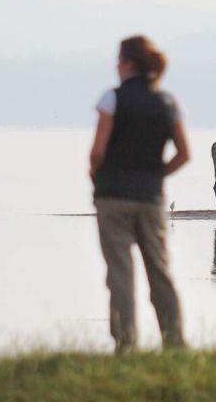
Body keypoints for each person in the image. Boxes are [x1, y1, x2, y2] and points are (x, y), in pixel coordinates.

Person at [89, 35, 190, 353]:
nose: (116, 66)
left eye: (118, 60)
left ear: (129, 63)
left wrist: (97, 178)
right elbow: (184, 153)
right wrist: (158, 174)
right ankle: (173, 340)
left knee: (119, 272)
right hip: (151, 198)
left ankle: (125, 343)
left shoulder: (112, 99)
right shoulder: (168, 102)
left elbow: (97, 152)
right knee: (159, 270)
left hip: (113, 196)